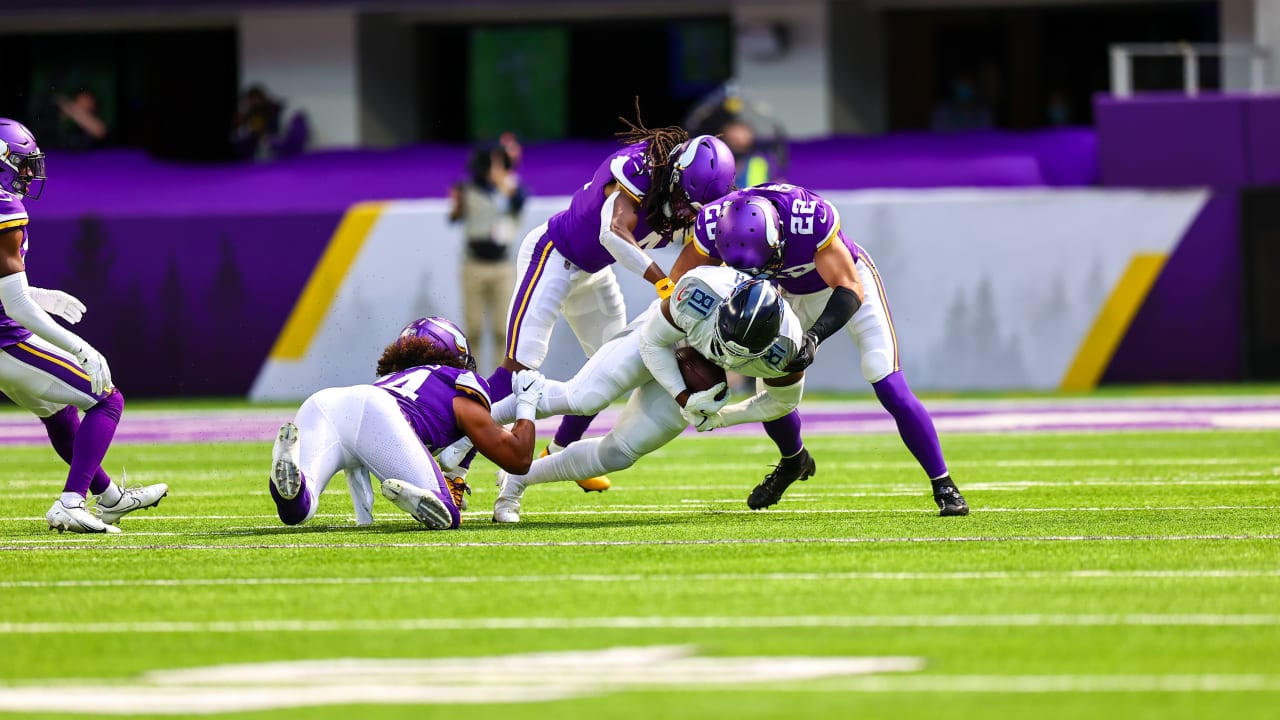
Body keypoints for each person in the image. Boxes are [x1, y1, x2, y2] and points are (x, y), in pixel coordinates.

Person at [449, 103, 736, 494]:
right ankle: (453, 468)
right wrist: (661, 282)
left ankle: (559, 451)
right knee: (517, 369)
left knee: (610, 369)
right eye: (686, 198)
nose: (686, 210)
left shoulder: (689, 200)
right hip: (554, 255)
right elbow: (612, 232)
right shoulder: (639, 169)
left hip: (592, 272)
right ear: (677, 172)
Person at [668, 183, 970, 516]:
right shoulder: (715, 224)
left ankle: (944, 483)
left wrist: (814, 336)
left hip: (845, 282)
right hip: (784, 295)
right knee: (771, 389)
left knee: (883, 375)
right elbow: (680, 283)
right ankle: (793, 460)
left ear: (777, 237)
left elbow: (849, 287)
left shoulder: (806, 216)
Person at [445, 266, 808, 523]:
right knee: (584, 397)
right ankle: (459, 427)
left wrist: (720, 417)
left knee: (620, 453)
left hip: (697, 380)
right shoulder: (700, 292)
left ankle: (517, 481)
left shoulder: (788, 349)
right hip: (662, 342)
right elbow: (653, 341)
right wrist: (683, 398)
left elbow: (781, 402)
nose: (725, 351)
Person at [0, 118, 168, 534]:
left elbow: (12, 291)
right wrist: (81, 347)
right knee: (107, 398)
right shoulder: (5, 206)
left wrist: (42, 297)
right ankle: (72, 502)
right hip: (7, 341)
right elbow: (15, 305)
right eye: (22, 164)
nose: (29, 173)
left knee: (59, 412)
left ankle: (109, 499)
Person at [267, 316, 545, 530]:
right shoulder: (456, 384)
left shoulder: (392, 380)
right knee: (448, 514)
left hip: (324, 404)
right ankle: (414, 494)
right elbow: (517, 459)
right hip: (378, 414)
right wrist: (527, 403)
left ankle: (291, 477)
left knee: (299, 511)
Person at [448, 142, 526, 372]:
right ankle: (474, 381)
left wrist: (503, 185)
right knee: (473, 329)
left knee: (504, 330)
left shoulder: (512, 188)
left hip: (502, 265)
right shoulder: (468, 188)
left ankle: (500, 383)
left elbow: (519, 202)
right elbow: (454, 216)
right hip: (474, 263)